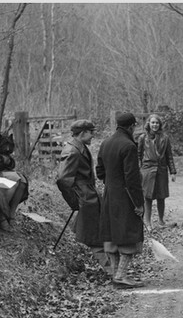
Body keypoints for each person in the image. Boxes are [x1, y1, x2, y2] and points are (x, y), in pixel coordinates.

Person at [55, 119, 112, 276]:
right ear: (83, 133)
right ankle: (110, 271)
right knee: (94, 238)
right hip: (85, 199)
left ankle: (111, 268)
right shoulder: (72, 151)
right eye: (91, 132)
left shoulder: (80, 148)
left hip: (90, 197)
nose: (93, 135)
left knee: (96, 235)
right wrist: (75, 201)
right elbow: (62, 180)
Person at [96, 111, 146, 288]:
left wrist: (112, 183)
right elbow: (132, 178)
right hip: (126, 197)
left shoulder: (105, 143)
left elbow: (100, 172)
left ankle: (117, 275)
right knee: (128, 235)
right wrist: (139, 203)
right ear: (131, 126)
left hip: (109, 195)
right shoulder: (129, 146)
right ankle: (121, 276)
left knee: (113, 235)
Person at [137, 113, 177, 229]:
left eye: (157, 123)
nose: (155, 125)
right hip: (147, 170)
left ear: (160, 125)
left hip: (161, 170)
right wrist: (139, 170)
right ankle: (148, 223)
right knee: (147, 197)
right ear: (148, 123)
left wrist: (172, 172)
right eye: (153, 122)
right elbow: (138, 155)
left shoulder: (165, 138)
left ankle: (161, 221)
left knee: (161, 196)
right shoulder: (142, 138)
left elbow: (169, 156)